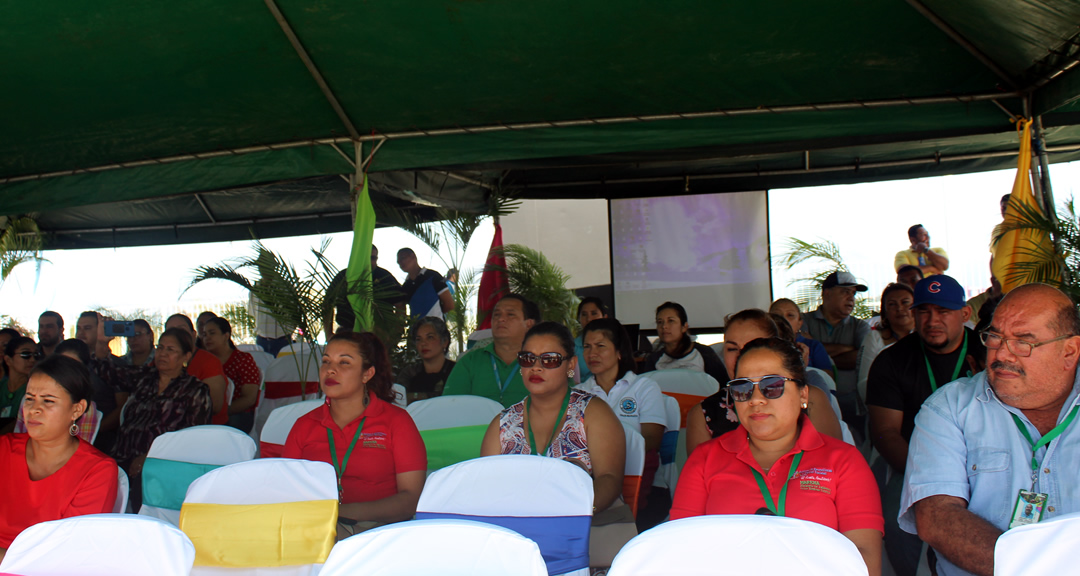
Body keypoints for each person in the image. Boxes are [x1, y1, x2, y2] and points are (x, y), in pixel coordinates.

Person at [899, 283, 1080, 576]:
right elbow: (937, 516)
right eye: (995, 337)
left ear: (1069, 351)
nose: (1002, 354)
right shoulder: (949, 407)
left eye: (1023, 342)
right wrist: (1030, 570)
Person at [671, 337, 883, 575]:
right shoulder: (704, 460)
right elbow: (681, 549)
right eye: (742, 388)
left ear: (803, 395)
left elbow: (864, 558)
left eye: (772, 385)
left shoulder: (844, 461)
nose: (756, 399)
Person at [481, 321, 629, 568]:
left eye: (549, 359)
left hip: (582, 535)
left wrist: (564, 515)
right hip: (517, 543)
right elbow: (486, 490)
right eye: (527, 358)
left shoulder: (593, 413)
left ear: (570, 365)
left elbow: (610, 479)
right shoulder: (502, 423)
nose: (536, 367)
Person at [866, 275, 983, 576]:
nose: (932, 320)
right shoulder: (891, 361)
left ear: (965, 314)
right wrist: (928, 475)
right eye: (923, 311)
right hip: (913, 462)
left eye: (943, 311)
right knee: (894, 521)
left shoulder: (988, 353)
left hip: (986, 458)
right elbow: (885, 432)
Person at [283, 331, 426, 538]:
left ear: (367, 374)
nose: (330, 370)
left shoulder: (396, 421)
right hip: (314, 530)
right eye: (326, 361)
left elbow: (411, 499)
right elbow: (286, 490)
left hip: (380, 532)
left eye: (344, 363)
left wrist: (342, 513)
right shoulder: (304, 425)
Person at [0, 355, 118, 559]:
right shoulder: (4, 448)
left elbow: (70, 553)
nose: (34, 409)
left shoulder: (97, 471)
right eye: (29, 399)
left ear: (77, 409)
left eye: (48, 401)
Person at [686, 310, 843, 455]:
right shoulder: (703, 413)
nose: (741, 357)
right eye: (732, 349)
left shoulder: (809, 398)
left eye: (752, 346)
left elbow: (833, 463)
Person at [111, 327, 212, 510]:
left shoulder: (195, 390)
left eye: (170, 350)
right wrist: (104, 343)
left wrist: (149, 457)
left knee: (143, 485)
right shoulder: (144, 379)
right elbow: (107, 371)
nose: (163, 354)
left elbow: (192, 438)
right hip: (123, 454)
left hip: (163, 461)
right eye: (160, 348)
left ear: (186, 357)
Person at [575, 317, 665, 520]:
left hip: (636, 474)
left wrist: (609, 456)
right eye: (587, 347)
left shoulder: (643, 387)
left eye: (600, 346)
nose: (592, 353)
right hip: (590, 476)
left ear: (619, 351)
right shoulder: (578, 393)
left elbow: (652, 439)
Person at [801, 271, 871, 432]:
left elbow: (859, 359)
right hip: (814, 401)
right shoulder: (803, 321)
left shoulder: (860, 326)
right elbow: (800, 353)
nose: (851, 298)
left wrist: (817, 352)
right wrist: (847, 349)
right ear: (827, 293)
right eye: (845, 292)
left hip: (853, 402)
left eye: (853, 293)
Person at [444, 294, 539, 407]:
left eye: (510, 314)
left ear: (529, 324)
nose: (501, 319)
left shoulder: (542, 361)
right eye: (497, 314)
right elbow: (450, 406)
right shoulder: (471, 361)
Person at [326, 245, 406, 339]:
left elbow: (400, 304)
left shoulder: (385, 277)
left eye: (373, 258)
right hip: (347, 332)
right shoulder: (344, 276)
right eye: (366, 258)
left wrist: (396, 332)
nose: (369, 261)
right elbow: (327, 304)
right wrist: (328, 334)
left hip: (378, 334)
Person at [856, 283, 915, 409]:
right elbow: (864, 382)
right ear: (885, 311)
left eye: (905, 302)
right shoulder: (874, 338)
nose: (899, 308)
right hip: (884, 407)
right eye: (892, 304)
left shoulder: (926, 337)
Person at [164, 314, 229, 426]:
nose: (176, 334)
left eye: (181, 329)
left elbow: (215, 406)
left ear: (193, 335)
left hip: (204, 429)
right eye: (170, 330)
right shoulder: (159, 361)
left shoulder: (209, 362)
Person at [642, 302, 728, 385]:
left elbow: (722, 386)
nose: (664, 326)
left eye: (671, 321)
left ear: (684, 327)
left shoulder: (704, 353)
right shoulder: (654, 359)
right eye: (660, 322)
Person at [201, 317, 262, 433]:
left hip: (238, 414)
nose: (207, 338)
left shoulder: (243, 360)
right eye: (204, 335)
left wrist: (223, 412)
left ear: (226, 335)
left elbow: (250, 398)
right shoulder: (204, 362)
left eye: (212, 333)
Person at [397, 316, 455, 404]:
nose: (423, 343)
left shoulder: (457, 370)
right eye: (418, 339)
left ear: (445, 342)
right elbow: (399, 401)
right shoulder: (409, 373)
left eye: (430, 337)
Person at [769, 298, 833, 375]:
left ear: (800, 323)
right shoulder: (762, 345)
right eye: (777, 315)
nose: (783, 319)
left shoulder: (813, 346)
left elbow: (828, 377)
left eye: (790, 315)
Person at [397, 247, 455, 322]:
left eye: (403, 258)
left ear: (413, 256)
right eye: (398, 262)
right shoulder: (406, 286)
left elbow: (449, 304)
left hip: (436, 328)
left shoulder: (433, 276)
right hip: (417, 329)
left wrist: (435, 317)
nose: (401, 263)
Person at [1, 337, 38, 433]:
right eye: (26, 354)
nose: (32, 360)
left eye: (36, 355)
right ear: (8, 360)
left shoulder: (37, 391)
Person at [573, 297, 609, 384]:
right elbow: (569, 373)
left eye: (594, 313)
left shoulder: (613, 342)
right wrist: (572, 381)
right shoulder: (572, 347)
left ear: (604, 317)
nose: (589, 319)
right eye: (584, 315)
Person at [249, 289, 293, 357]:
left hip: (283, 338)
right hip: (263, 339)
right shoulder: (255, 290)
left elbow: (294, 313)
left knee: (285, 365)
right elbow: (253, 313)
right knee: (265, 366)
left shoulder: (286, 289)